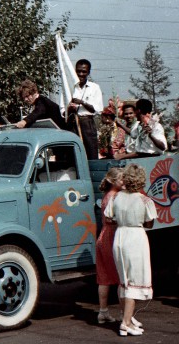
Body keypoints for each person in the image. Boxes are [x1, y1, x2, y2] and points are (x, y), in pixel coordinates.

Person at [104, 163, 157, 336]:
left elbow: (109, 217)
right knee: (134, 281)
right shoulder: (144, 200)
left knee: (124, 279)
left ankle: (126, 318)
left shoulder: (116, 197)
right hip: (135, 237)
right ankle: (126, 323)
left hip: (120, 236)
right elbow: (149, 223)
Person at [95, 168, 124, 325]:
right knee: (121, 277)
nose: (124, 181)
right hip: (113, 237)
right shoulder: (116, 197)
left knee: (104, 278)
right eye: (121, 179)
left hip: (103, 237)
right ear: (113, 181)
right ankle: (123, 313)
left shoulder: (106, 196)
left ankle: (103, 312)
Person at [67, 59, 103, 160]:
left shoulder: (94, 87)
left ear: (88, 72)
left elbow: (97, 109)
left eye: (84, 71)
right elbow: (62, 112)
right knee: (73, 155)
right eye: (78, 71)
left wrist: (82, 102)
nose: (81, 74)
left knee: (91, 153)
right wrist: (70, 108)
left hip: (88, 124)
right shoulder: (69, 87)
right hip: (72, 123)